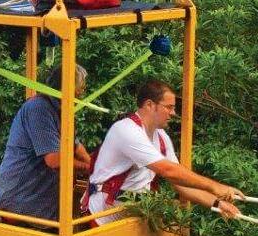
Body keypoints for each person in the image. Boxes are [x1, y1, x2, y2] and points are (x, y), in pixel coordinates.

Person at [83, 79, 243, 225]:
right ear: (149, 105)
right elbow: (169, 171)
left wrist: (218, 203)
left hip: (128, 220)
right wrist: (215, 186)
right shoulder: (126, 130)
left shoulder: (161, 137)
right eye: (169, 107)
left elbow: (180, 184)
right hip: (101, 219)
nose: (173, 113)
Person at [0, 64, 91, 223]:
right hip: (21, 204)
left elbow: (76, 147)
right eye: (80, 87)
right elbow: (54, 160)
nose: (82, 92)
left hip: (41, 205)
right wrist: (88, 168)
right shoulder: (39, 108)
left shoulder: (62, 110)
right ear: (67, 86)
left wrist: (94, 165)